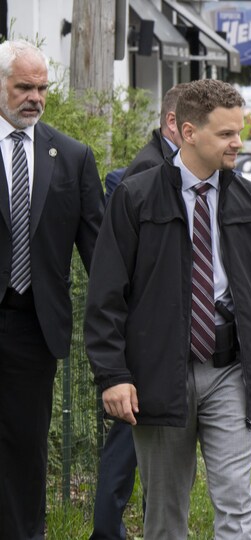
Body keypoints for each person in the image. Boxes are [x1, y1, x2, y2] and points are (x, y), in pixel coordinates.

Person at [84, 79, 251, 539]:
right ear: (189, 132)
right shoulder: (136, 197)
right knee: (165, 511)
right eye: (226, 134)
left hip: (230, 367)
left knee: (236, 499)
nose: (238, 142)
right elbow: (106, 295)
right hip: (159, 371)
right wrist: (114, 375)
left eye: (238, 131)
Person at [0, 40, 103, 539]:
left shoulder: (73, 156)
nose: (34, 97)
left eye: (42, 87)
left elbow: (99, 253)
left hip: (32, 326)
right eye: (24, 87)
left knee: (25, 444)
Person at [90, 82, 187, 540]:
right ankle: (109, 531)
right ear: (175, 123)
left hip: (162, 340)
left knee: (139, 446)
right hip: (145, 342)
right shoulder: (144, 174)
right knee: (128, 444)